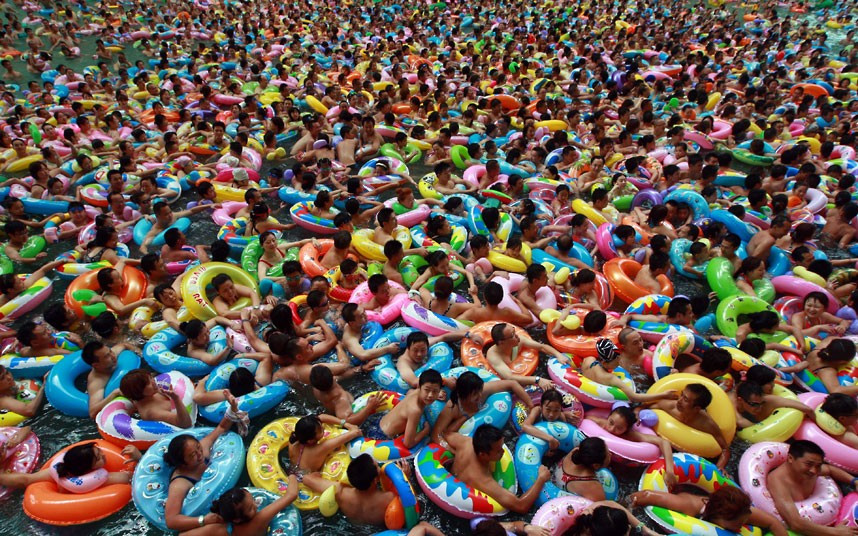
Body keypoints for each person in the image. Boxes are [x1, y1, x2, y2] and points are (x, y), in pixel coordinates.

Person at [446, 424, 549, 513]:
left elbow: (445, 434)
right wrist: (541, 478)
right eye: (499, 451)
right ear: (483, 455)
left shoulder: (465, 442)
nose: (503, 452)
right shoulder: (483, 480)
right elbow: (521, 506)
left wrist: (451, 451)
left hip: (452, 475)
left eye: (502, 447)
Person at [163, 410, 239, 531]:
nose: (199, 454)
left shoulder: (202, 449)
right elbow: (171, 521)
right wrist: (203, 520)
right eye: (192, 455)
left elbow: (221, 428)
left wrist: (232, 409)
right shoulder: (179, 484)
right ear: (182, 463)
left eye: (198, 447)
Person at [767, 440, 858, 535]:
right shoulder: (778, 481)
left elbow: (830, 469)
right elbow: (795, 524)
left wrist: (854, 481)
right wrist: (836, 532)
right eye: (808, 464)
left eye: (818, 466)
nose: (814, 471)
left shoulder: (811, 469)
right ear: (790, 458)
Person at [630, 485, 789, 536]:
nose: (741, 527)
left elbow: (773, 522)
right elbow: (645, 495)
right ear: (719, 516)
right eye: (738, 524)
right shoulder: (689, 506)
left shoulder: (741, 511)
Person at [431, 371, 532, 449]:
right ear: (463, 395)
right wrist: (452, 452)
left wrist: (530, 404)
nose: (479, 395)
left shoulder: (482, 391)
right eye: (475, 394)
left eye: (479, 391)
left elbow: (512, 384)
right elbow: (437, 435)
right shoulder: (452, 407)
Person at [585, 405, 677, 488]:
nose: (612, 429)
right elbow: (585, 419)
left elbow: (664, 442)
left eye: (619, 428)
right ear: (609, 417)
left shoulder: (630, 436)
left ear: (626, 429)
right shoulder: (600, 423)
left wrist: (670, 471)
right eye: (611, 422)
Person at [642, 383, 730, 469]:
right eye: (681, 395)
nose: (679, 400)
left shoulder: (707, 424)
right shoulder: (669, 405)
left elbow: (725, 450)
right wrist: (640, 414)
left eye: (686, 400)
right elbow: (643, 408)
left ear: (697, 409)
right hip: (664, 444)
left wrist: (720, 468)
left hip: (688, 456)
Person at [0, 440, 138, 489]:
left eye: (99, 451)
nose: (104, 455)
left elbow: (26, 480)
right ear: (88, 469)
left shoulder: (60, 470)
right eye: (98, 458)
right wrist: (138, 458)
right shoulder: (104, 479)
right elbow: (135, 478)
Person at [187, 476, 300, 536]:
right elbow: (291, 495)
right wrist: (292, 476)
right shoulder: (259, 520)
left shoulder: (220, 530)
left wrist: (204, 521)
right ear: (237, 519)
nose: (256, 505)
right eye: (251, 508)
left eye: (253, 500)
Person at [581, 339, 677, 403]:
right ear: (605, 363)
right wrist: (663, 395)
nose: (619, 361)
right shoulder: (610, 378)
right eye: (617, 360)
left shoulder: (589, 360)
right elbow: (634, 397)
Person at [286, 414, 363, 491]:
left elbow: (321, 417)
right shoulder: (319, 449)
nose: (323, 427)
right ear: (310, 440)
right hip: (305, 480)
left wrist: (345, 423)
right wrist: (353, 428)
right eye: (320, 430)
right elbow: (355, 432)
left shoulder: (293, 440)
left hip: (292, 471)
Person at [486, 322, 570, 390]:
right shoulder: (494, 356)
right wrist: (538, 380)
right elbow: (509, 378)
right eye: (512, 335)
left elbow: (542, 347)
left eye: (514, 331)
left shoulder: (519, 340)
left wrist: (558, 355)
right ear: (501, 342)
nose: (517, 336)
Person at [379, 369, 443, 448]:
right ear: (419, 386)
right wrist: (425, 431)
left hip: (379, 423)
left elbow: (423, 390)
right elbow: (408, 444)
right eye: (427, 390)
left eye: (435, 391)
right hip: (382, 438)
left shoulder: (414, 392)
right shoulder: (415, 410)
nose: (430, 395)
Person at [119, 369, 194, 428]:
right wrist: (176, 398)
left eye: (151, 377)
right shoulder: (153, 412)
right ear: (138, 391)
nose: (153, 381)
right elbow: (185, 424)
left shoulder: (145, 396)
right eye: (148, 383)